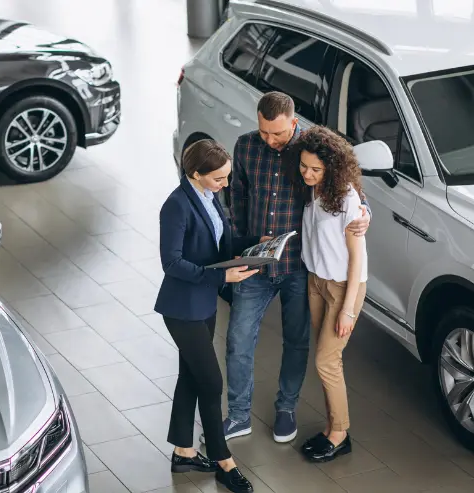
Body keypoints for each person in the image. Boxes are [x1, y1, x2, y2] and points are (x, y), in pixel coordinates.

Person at [209, 92, 371, 446]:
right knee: (237, 340)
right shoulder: (246, 147)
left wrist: (365, 214)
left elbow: (348, 186)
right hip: (255, 262)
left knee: (297, 342)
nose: (270, 139)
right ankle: (237, 416)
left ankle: (287, 409)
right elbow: (236, 195)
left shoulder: (309, 152)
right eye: (264, 131)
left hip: (300, 267)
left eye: (278, 133)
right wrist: (245, 239)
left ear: (293, 124)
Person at [155, 139, 269, 493]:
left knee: (190, 376)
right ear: (196, 174)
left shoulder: (209, 196)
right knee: (211, 382)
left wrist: (256, 241)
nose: (225, 184)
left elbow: (221, 242)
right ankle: (224, 461)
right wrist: (221, 276)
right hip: (182, 309)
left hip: (203, 304)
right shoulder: (176, 206)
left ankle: (183, 452)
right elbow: (171, 263)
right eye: (219, 178)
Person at [282, 125, 368, 462]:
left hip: (343, 287)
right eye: (303, 166)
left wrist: (348, 310)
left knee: (325, 361)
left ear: (332, 168)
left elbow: (357, 257)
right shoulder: (311, 190)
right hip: (315, 281)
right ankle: (334, 425)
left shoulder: (346, 197)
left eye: (316, 169)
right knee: (328, 359)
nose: (307, 173)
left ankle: (339, 433)